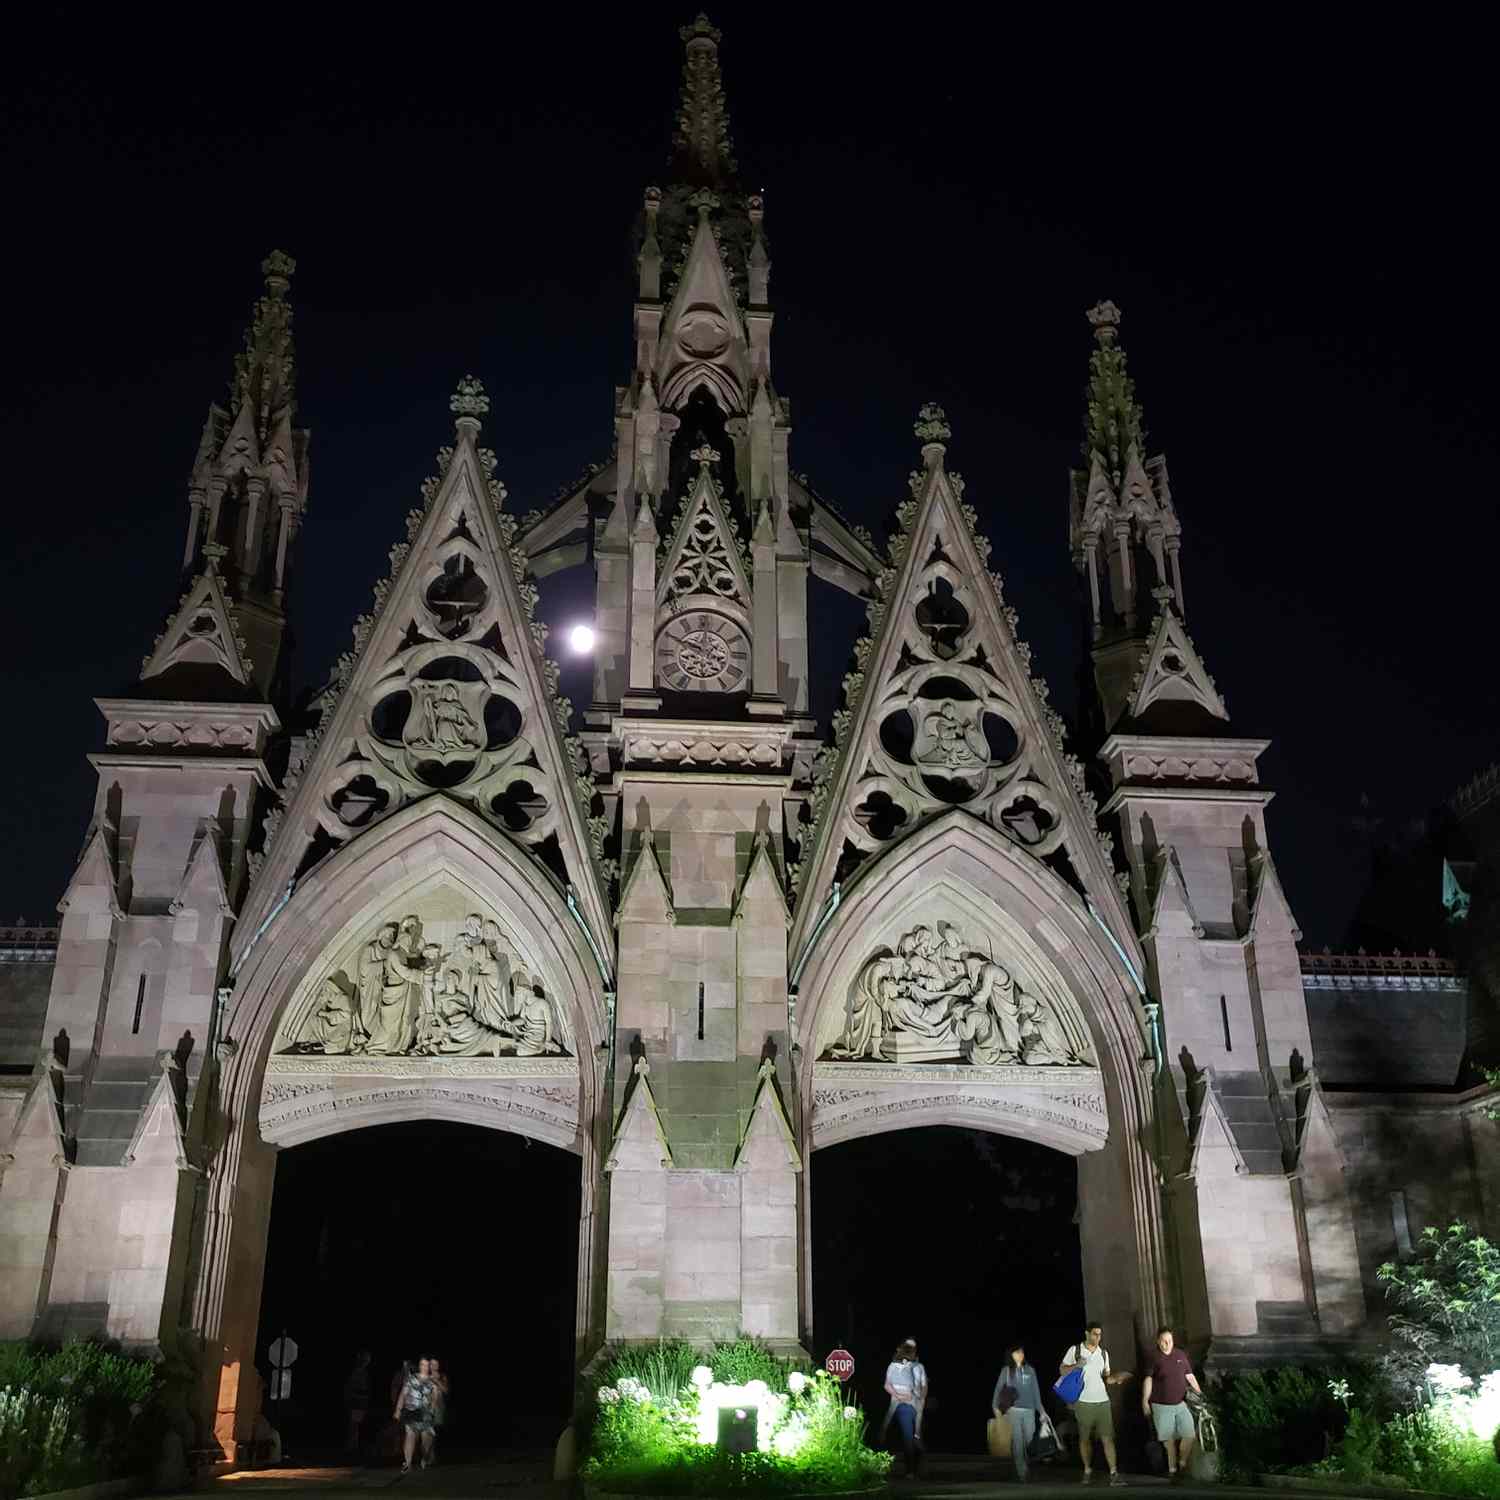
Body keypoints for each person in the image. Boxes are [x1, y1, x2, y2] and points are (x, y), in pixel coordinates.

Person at [1059, 1321, 1132, 1485]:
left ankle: (1114, 1473)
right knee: (1085, 1439)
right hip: (1083, 1401)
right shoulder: (1075, 1350)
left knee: (1108, 1438)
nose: (1097, 1337)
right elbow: (1062, 1370)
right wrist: (1076, 1365)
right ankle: (1087, 1470)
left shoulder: (1103, 1353)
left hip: (1103, 1402)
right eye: (1094, 1334)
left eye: (1100, 1334)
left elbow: (1107, 1378)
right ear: (1087, 1333)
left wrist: (1117, 1379)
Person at [1142, 1328, 1203, 1479]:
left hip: (1181, 1403)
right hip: (1161, 1405)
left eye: (1170, 1340)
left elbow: (1189, 1376)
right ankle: (1172, 1470)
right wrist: (1144, 1400)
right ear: (1158, 1341)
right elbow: (1148, 1379)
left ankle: (1181, 1463)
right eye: (1164, 1340)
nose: (1167, 1343)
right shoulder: (1154, 1358)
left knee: (1189, 1435)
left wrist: (1200, 1395)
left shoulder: (1180, 1355)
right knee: (1168, 1441)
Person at [993, 1342, 1042, 1482]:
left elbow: (1036, 1392)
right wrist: (995, 1407)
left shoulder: (1030, 1370)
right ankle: (1022, 1472)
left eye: (1021, 1352)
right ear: (1011, 1355)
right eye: (1016, 1352)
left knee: (1029, 1437)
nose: (1020, 1355)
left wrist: (1042, 1412)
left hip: (1029, 1410)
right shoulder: (1006, 1371)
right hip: (1013, 1410)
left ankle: (1019, 1454)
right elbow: (998, 1390)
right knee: (1018, 1440)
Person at [883, 1338, 928, 1477]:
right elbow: (888, 1385)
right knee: (907, 1435)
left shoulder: (919, 1367)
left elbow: (924, 1385)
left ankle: (915, 1464)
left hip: (916, 1403)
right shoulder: (894, 1366)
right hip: (902, 1405)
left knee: (917, 1438)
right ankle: (910, 1469)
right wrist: (900, 1395)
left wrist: (922, 1398)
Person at [394, 1356, 437, 1472]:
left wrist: (432, 1409)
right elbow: (403, 1394)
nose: (424, 1367)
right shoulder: (411, 1379)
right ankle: (407, 1463)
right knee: (410, 1436)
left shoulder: (432, 1381)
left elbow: (434, 1397)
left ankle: (424, 1457)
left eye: (427, 1365)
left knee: (426, 1439)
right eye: (422, 1364)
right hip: (411, 1411)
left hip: (425, 1413)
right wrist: (398, 1409)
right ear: (419, 1366)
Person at [342, 1350, 371, 1454]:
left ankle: (354, 1446)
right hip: (355, 1401)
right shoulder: (357, 1372)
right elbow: (352, 1387)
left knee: (356, 1426)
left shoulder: (363, 1372)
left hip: (360, 1402)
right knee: (353, 1425)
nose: (367, 1361)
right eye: (366, 1358)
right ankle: (351, 1447)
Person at [429, 1357, 451, 1463]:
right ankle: (430, 1455)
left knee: (436, 1431)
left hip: (439, 1406)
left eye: (436, 1364)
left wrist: (437, 1381)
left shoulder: (442, 1376)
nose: (434, 1366)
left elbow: (446, 1391)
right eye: (432, 1364)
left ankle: (434, 1455)